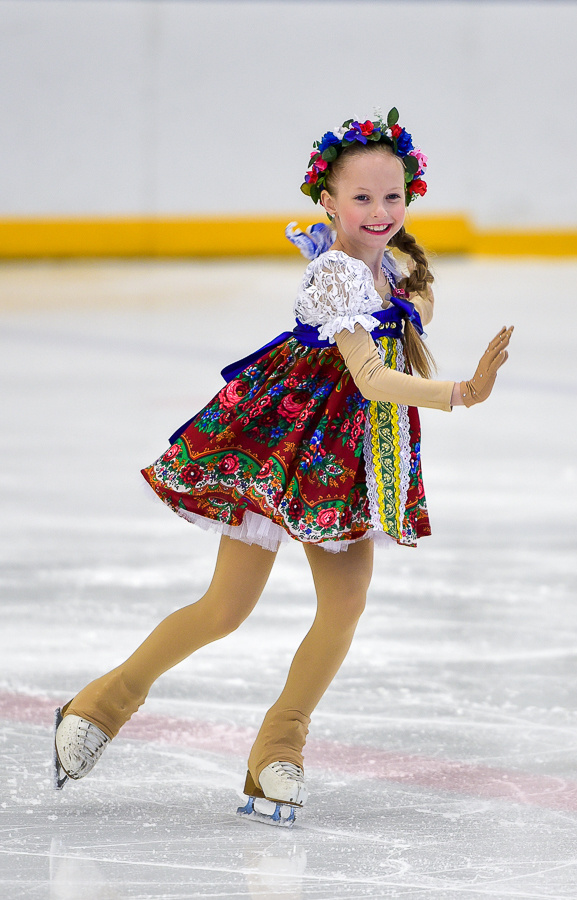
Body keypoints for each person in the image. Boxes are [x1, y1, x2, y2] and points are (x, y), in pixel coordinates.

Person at [53, 108, 513, 826]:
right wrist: (461, 393)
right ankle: (103, 702)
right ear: (326, 201)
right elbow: (368, 376)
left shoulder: (395, 265)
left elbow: (411, 303)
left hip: (350, 451)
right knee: (227, 608)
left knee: (345, 603)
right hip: (285, 440)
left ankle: (280, 743)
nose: (379, 210)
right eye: (360, 198)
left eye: (392, 196)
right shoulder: (335, 276)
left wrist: (411, 298)